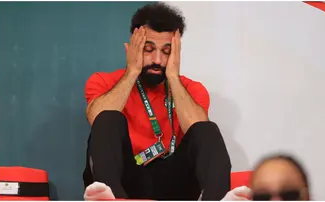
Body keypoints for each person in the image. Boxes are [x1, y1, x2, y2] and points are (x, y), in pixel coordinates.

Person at [82, 2, 240, 200]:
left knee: (207, 129)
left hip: (173, 180)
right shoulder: (103, 81)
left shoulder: (192, 89)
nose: (157, 59)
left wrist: (173, 76)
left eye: (166, 51)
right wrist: (132, 71)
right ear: (132, 48)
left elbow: (198, 130)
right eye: (148, 49)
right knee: (108, 119)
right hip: (125, 178)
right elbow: (98, 121)